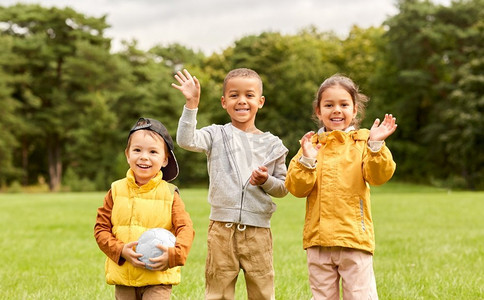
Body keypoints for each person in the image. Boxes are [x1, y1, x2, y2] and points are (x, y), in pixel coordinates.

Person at [172, 68, 288, 300]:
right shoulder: (216, 134)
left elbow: (283, 188)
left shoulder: (273, 144)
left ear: (260, 101)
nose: (242, 101)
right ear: (224, 102)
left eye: (249, 95)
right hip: (221, 229)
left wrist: (266, 181)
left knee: (263, 291)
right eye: (234, 95)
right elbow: (186, 140)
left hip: (258, 231)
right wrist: (191, 105)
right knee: (218, 292)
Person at [285, 74, 397, 300]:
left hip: (354, 239)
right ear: (318, 111)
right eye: (329, 105)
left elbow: (379, 176)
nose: (336, 110)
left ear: (354, 110)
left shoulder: (363, 142)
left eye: (344, 104)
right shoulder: (310, 145)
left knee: (360, 296)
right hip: (318, 242)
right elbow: (296, 188)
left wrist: (376, 145)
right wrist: (308, 160)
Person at [94, 117, 195, 300]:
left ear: (165, 159)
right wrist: (121, 250)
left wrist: (174, 255)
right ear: (127, 154)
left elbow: (185, 228)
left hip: (158, 277)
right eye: (137, 150)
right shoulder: (116, 190)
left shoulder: (170, 194)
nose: (144, 157)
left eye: (153, 152)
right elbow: (101, 229)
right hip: (125, 277)